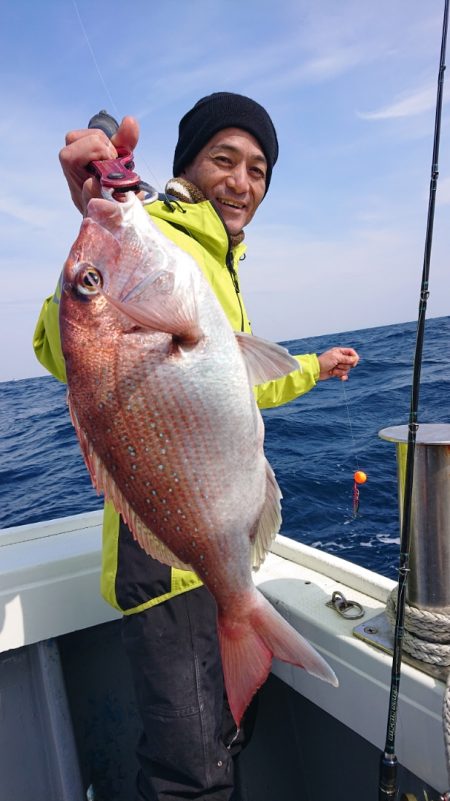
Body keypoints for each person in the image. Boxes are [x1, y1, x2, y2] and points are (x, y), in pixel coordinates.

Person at [34, 92, 359, 801]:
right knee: (192, 777)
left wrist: (312, 369)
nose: (243, 181)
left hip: (210, 549)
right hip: (162, 568)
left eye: (259, 168)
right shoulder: (166, 238)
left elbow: (233, 390)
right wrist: (96, 218)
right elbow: (67, 346)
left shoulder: (218, 261)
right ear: (186, 167)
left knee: (218, 749)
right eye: (225, 158)